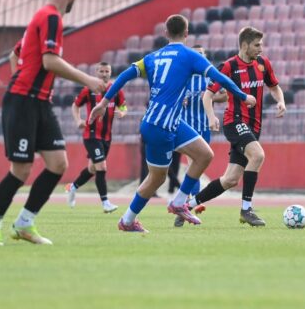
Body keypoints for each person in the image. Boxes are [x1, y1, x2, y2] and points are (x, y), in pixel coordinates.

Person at [88, 15, 256, 234]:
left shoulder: (152, 57)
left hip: (170, 122)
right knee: (156, 178)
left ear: (166, 33)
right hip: (160, 127)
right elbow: (220, 77)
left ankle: (179, 202)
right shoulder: (190, 56)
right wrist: (243, 96)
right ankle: (127, 220)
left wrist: (103, 102)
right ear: (187, 34)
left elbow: (124, 76)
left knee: (205, 154)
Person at [0, 0, 107, 246]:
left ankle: (25, 223)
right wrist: (88, 80)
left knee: (58, 163)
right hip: (24, 101)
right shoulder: (51, 17)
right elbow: (50, 61)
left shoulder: (39, 18)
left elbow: (14, 55)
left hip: (37, 100)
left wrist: (26, 81)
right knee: (21, 169)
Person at [185, 27, 286, 227]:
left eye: (261, 44)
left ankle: (186, 206)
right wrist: (211, 116)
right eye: (257, 45)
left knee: (230, 179)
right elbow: (208, 94)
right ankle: (246, 210)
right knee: (257, 156)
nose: (261, 48)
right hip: (235, 121)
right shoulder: (229, 66)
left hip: (254, 126)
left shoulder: (263, 64)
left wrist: (280, 101)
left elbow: (274, 87)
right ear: (244, 45)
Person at [170, 44, 228, 227]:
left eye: (202, 54)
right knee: (191, 164)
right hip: (187, 127)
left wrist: (209, 97)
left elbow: (224, 95)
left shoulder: (208, 77)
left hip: (204, 126)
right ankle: (188, 203)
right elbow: (171, 95)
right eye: (197, 55)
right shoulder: (183, 76)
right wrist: (181, 99)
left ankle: (186, 202)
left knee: (198, 166)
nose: (200, 57)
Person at [65, 62, 127, 213]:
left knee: (92, 168)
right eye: (102, 71)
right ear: (96, 72)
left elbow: (124, 106)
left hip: (107, 137)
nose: (104, 74)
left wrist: (122, 113)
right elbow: (75, 105)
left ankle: (72, 187)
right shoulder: (88, 89)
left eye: (107, 71)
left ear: (110, 72)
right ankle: (106, 203)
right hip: (91, 135)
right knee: (102, 166)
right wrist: (78, 120)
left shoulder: (116, 89)